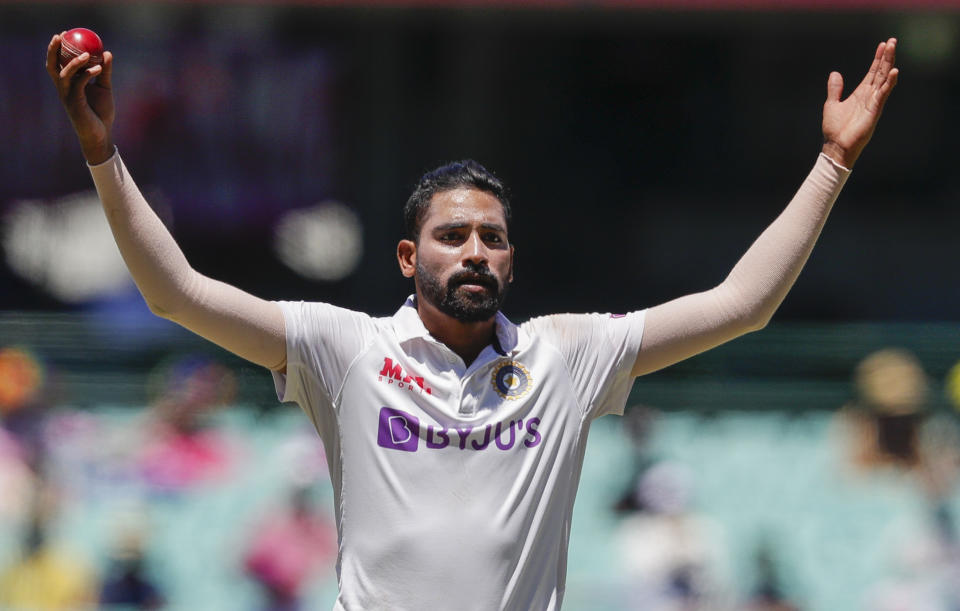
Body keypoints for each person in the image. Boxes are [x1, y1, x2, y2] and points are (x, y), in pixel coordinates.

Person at [47, 32, 899, 610]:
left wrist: (831, 163)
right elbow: (176, 293)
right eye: (452, 236)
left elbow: (741, 306)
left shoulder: (567, 355)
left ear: (512, 262)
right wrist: (101, 152)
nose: (476, 250)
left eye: (493, 237)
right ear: (409, 260)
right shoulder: (343, 349)